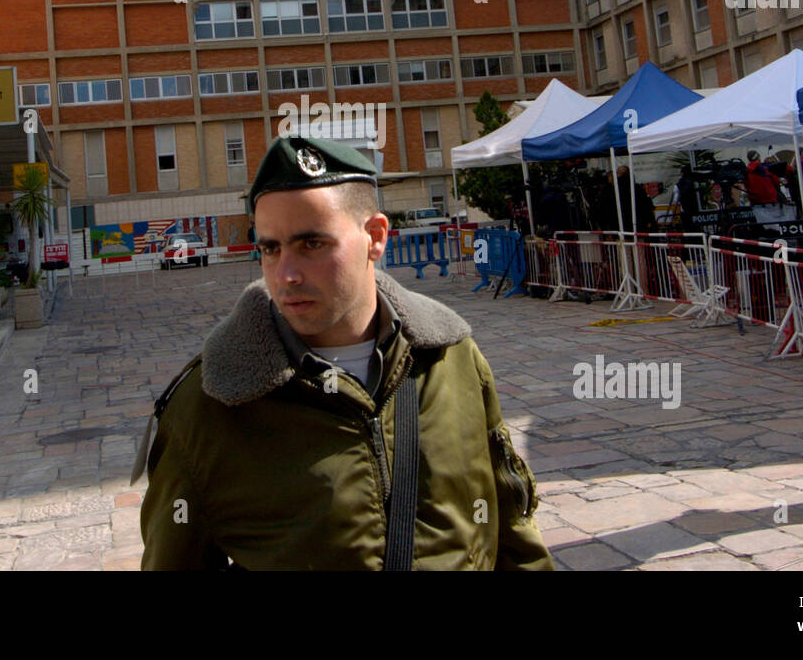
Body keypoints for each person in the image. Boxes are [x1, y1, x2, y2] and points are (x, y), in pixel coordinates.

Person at [135, 134, 554, 569]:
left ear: (375, 237)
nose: (287, 275)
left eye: (311, 244)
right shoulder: (208, 406)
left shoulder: (454, 360)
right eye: (270, 249)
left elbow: (512, 531)